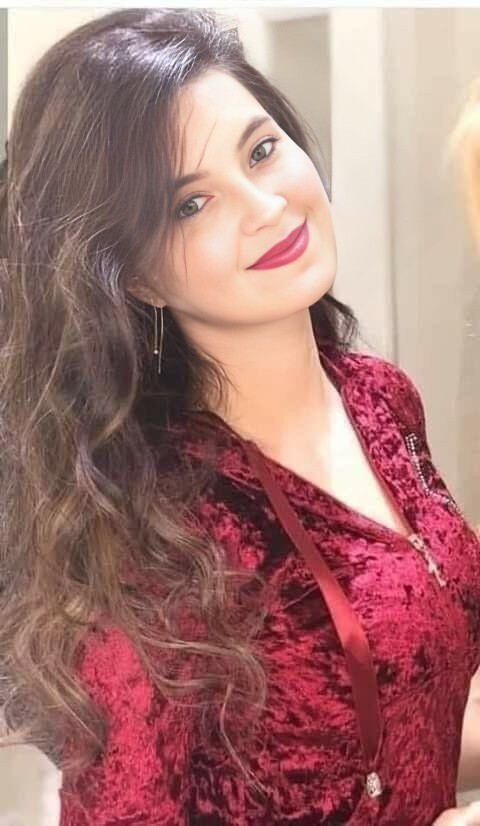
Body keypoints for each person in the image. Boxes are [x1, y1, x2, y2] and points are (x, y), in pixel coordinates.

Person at [1, 9, 480, 825]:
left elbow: (406, 714)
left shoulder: (380, 399)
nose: (264, 205)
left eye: (260, 151)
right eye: (192, 204)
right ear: (137, 277)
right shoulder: (151, 532)